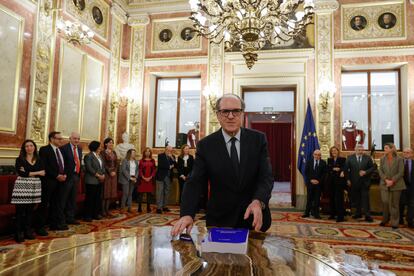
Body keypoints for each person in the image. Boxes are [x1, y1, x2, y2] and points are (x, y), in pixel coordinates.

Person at [171, 94, 273, 237]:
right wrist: (187, 214)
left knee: (256, 258)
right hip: (220, 220)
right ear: (218, 115)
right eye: (225, 111)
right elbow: (195, 182)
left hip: (253, 218)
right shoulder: (206, 145)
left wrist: (259, 201)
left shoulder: (258, 139)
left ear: (242, 114)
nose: (230, 116)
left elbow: (266, 176)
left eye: (236, 111)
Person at [11, 140, 44, 242]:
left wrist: (29, 172)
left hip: (35, 186)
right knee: (20, 211)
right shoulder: (20, 159)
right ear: (24, 148)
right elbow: (21, 173)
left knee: (30, 211)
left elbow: (43, 172)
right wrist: (37, 172)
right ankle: (18, 232)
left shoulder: (39, 159)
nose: (29, 148)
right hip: (22, 186)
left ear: (34, 147)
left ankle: (27, 231)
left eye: (31, 145)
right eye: (26, 146)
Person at [36, 131, 68, 233]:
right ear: (52, 139)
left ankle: (54, 224)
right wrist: (56, 175)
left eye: (61, 138)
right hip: (48, 182)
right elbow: (44, 166)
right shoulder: (44, 150)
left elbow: (63, 164)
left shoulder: (61, 150)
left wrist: (64, 174)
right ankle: (40, 227)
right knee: (44, 204)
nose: (61, 140)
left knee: (56, 204)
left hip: (61, 182)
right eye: (59, 139)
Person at [344, 144, 375, 222]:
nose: (360, 151)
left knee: (365, 199)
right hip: (354, 182)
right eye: (358, 150)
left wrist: (365, 172)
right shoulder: (350, 158)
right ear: (355, 150)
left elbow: (373, 168)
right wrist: (348, 179)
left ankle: (367, 215)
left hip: (365, 182)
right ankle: (358, 213)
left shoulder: (367, 158)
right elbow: (346, 169)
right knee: (357, 199)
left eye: (361, 150)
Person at [378, 143, 405, 229]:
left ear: (391, 149)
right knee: (385, 202)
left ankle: (394, 222)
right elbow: (380, 171)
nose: (384, 149)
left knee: (394, 204)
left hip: (396, 184)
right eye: (384, 148)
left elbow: (401, 172)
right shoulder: (382, 159)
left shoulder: (399, 159)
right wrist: (386, 179)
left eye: (386, 148)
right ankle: (385, 220)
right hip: (384, 184)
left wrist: (392, 180)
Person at [60, 132, 82, 225]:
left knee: (72, 199)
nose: (76, 140)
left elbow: (79, 162)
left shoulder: (79, 149)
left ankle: (70, 218)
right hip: (66, 177)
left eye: (78, 139)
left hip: (76, 176)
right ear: (70, 138)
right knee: (63, 199)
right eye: (74, 138)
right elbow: (61, 163)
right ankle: (62, 220)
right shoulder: (63, 149)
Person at [84, 141, 105, 221]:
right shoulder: (88, 156)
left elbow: (102, 166)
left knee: (97, 198)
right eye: (99, 146)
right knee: (90, 198)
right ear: (95, 147)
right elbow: (89, 168)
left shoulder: (99, 156)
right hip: (91, 180)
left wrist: (103, 174)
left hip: (99, 181)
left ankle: (95, 214)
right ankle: (87, 215)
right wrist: (98, 175)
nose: (100, 148)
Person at [302, 149, 327, 219]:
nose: (317, 156)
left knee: (317, 199)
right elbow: (306, 172)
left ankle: (316, 213)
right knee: (309, 198)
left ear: (320, 156)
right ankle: (307, 212)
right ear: (313, 155)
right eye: (315, 154)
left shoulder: (323, 163)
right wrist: (311, 180)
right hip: (310, 184)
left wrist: (319, 181)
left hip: (319, 184)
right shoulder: (309, 162)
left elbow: (324, 174)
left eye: (319, 155)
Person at [327, 146, 347, 222]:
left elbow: (345, 167)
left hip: (339, 182)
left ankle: (340, 216)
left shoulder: (342, 159)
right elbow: (328, 169)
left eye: (335, 151)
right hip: (331, 182)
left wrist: (340, 170)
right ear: (331, 153)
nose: (334, 152)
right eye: (332, 151)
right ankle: (332, 214)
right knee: (332, 198)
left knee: (339, 199)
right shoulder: (329, 160)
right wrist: (333, 168)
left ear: (338, 151)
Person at [155, 145, 176, 214]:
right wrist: (169, 166)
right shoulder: (160, 156)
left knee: (167, 192)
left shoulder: (172, 157)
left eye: (171, 150)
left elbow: (175, 164)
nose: (169, 151)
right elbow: (161, 165)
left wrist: (172, 158)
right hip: (161, 177)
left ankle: (164, 206)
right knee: (160, 192)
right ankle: (159, 207)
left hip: (169, 177)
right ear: (165, 149)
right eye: (168, 150)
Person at [100, 138, 118, 217]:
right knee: (105, 193)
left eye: (112, 143)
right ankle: (103, 211)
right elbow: (103, 164)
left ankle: (107, 210)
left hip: (114, 175)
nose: (111, 144)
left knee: (110, 193)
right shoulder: (103, 152)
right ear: (106, 144)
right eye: (110, 143)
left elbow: (117, 163)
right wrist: (109, 172)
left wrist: (115, 171)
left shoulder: (114, 152)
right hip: (107, 175)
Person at [138, 147, 156, 213]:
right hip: (142, 179)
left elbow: (154, 170)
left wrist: (150, 177)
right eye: (146, 151)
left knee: (149, 194)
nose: (147, 152)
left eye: (149, 151)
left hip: (150, 179)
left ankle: (148, 207)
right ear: (144, 153)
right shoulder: (141, 160)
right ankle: (139, 207)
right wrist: (143, 177)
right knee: (141, 194)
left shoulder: (152, 160)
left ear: (150, 153)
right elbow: (139, 170)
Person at [400, 148, 414, 228]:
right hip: (401, 187)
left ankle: (410, 220)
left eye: (408, 152)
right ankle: (400, 219)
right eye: (404, 152)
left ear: (412, 154)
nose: (406, 154)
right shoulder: (399, 163)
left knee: (411, 204)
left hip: (412, 187)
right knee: (401, 203)